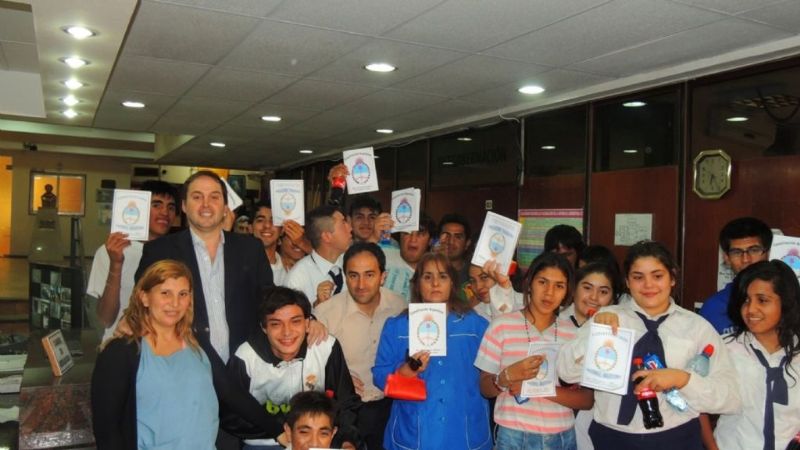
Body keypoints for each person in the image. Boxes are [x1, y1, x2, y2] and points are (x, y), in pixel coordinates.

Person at [135, 170, 280, 449]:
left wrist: (306, 317)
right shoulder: (159, 250)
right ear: (185, 206)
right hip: (185, 381)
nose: (206, 204)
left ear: (225, 206)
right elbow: (141, 305)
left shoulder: (249, 248)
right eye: (197, 197)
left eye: (214, 197)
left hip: (242, 379)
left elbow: (268, 303)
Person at [557, 240, 740, 450]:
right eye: (638, 277)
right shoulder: (607, 318)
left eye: (657, 276)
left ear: (672, 278)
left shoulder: (697, 327)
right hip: (612, 439)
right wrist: (595, 336)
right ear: (627, 281)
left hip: (678, 438)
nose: (648, 285)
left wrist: (683, 380)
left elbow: (730, 397)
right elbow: (566, 372)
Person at [91, 260, 218, 449]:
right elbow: (107, 431)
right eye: (165, 293)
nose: (175, 303)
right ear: (144, 297)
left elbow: (226, 394)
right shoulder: (120, 353)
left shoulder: (196, 345)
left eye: (182, 294)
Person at [373, 252, 492, 450]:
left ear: (452, 283)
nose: (435, 283)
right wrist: (405, 371)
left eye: (443, 276)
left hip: (465, 432)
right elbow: (378, 376)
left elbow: (490, 374)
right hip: (414, 432)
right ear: (417, 283)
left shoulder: (476, 326)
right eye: (427, 277)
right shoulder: (397, 326)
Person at [475, 253, 592, 450]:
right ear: (529, 283)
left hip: (561, 437)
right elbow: (485, 388)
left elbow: (587, 400)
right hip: (513, 435)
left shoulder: (574, 335)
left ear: (567, 292)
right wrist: (506, 376)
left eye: (559, 286)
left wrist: (535, 388)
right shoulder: (502, 326)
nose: (549, 292)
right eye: (543, 282)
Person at [226, 286, 360, 450]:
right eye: (276, 324)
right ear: (264, 327)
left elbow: (346, 401)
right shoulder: (246, 357)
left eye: (295, 321)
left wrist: (346, 440)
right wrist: (275, 431)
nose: (287, 332)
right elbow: (229, 413)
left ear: (307, 322)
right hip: (266, 443)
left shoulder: (325, 346)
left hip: (317, 443)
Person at [315, 242, 406, 450]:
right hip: (344, 413)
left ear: (383, 276)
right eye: (353, 275)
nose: (361, 284)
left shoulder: (400, 307)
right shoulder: (325, 315)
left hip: (391, 406)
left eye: (369, 275)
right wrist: (337, 381)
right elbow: (310, 368)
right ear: (345, 276)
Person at [712, 260, 800, 450]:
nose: (751, 309)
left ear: (785, 302)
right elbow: (695, 404)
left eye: (762, 300)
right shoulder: (724, 349)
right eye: (745, 300)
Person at [87, 180, 178, 341]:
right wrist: (116, 265)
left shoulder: (176, 252)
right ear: (141, 207)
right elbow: (106, 319)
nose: (165, 212)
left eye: (171, 207)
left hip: (163, 346)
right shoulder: (110, 251)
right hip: (121, 344)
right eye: (156, 205)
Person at [558, 262, 623, 450]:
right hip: (553, 418)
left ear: (613, 298)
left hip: (595, 420)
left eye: (603, 292)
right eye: (587, 288)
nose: (594, 297)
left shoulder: (618, 331)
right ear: (574, 289)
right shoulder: (554, 322)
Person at [700, 217, 772, 335]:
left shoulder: (786, 300)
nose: (746, 259)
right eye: (737, 252)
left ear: (768, 253)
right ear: (726, 258)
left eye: (754, 250)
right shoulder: (714, 307)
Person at [285, 205, 353, 308]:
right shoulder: (297, 279)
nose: (350, 228)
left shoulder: (353, 263)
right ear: (327, 236)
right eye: (343, 223)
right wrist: (317, 307)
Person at [381, 213, 436, 302]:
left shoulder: (436, 272)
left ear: (430, 241)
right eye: (407, 233)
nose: (413, 240)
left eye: (420, 234)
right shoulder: (382, 254)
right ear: (400, 236)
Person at [251, 203, 286, 286]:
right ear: (250, 228)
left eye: (273, 221)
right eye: (260, 220)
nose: (267, 225)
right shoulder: (239, 264)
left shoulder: (288, 270)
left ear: (282, 230)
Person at [438, 213, 473, 283]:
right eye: (446, 235)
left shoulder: (473, 273)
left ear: (467, 243)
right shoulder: (426, 269)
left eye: (458, 237)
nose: (451, 241)